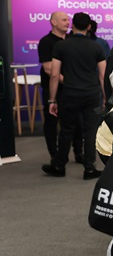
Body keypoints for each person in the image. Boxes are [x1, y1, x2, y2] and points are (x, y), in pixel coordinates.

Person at [42, 12, 106, 179]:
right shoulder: (97, 47)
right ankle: (90, 168)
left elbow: (54, 74)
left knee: (66, 130)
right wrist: (106, 97)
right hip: (92, 94)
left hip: (70, 93)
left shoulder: (61, 46)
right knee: (90, 131)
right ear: (89, 27)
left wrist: (52, 100)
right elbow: (102, 75)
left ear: (73, 26)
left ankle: (59, 166)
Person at [37, 11, 84, 164]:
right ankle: (55, 154)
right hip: (53, 88)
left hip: (72, 89)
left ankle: (79, 153)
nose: (67, 22)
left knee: (77, 122)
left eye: (68, 20)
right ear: (53, 22)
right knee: (52, 121)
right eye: (64, 20)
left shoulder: (72, 40)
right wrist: (70, 81)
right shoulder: (46, 42)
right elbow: (49, 69)